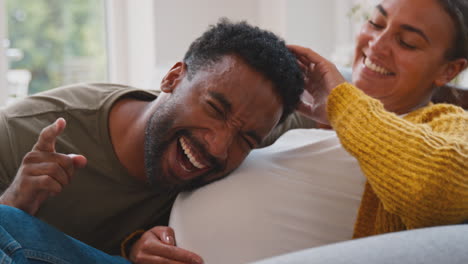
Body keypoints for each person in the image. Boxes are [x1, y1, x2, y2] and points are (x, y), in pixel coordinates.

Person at [167, 0, 468, 263]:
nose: (376, 44)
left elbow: (440, 190)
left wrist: (343, 103)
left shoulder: (444, 123)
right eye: (376, 23)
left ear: (449, 71)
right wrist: (153, 239)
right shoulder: (314, 120)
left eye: (407, 43)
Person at [0, 20, 304, 263]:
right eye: (214, 109)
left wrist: (132, 249)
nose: (218, 147)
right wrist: (15, 203)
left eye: (246, 139)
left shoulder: (259, 119)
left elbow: (332, 112)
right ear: (172, 78)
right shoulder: (19, 132)